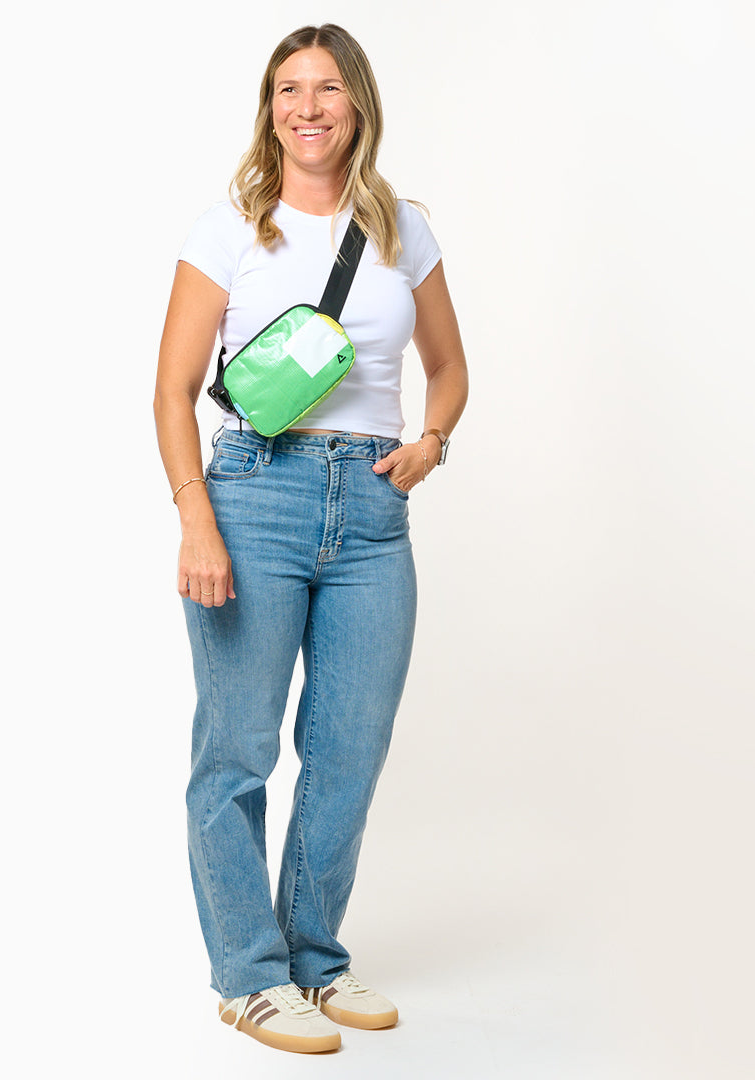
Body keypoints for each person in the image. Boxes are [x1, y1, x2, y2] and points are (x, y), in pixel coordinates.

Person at [153, 23, 468, 1055]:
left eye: (327, 88)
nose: (308, 107)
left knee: (349, 750)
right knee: (237, 750)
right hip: (255, 494)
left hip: (373, 508)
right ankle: (249, 976)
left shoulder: (402, 231)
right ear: (270, 108)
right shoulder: (230, 231)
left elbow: (449, 366)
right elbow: (171, 390)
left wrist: (430, 442)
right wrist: (196, 516)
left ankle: (315, 960)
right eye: (290, 90)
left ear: (358, 103)